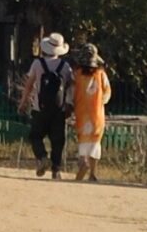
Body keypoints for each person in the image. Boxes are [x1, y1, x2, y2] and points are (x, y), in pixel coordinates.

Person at [19, 33, 71, 180]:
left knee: (35, 136)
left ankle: (42, 157)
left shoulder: (37, 64)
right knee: (58, 140)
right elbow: (71, 86)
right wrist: (69, 105)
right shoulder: (65, 67)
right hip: (58, 110)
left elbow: (29, 86)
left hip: (39, 108)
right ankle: (56, 170)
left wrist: (23, 103)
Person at [71, 43, 111, 182]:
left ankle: (83, 163)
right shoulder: (101, 75)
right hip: (97, 115)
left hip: (81, 113)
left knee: (83, 141)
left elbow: (72, 94)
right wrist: (100, 102)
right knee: (95, 143)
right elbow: (107, 93)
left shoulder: (76, 75)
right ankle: (92, 173)